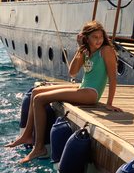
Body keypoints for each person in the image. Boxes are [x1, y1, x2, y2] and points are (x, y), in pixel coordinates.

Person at [5, 20, 122, 163]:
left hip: (91, 93)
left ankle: (39, 147)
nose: (98, 40)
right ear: (86, 38)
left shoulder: (106, 51)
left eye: (100, 37)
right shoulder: (86, 51)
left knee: (39, 99)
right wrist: (80, 49)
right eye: (94, 37)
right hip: (82, 87)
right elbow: (72, 72)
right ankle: (26, 135)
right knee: (36, 92)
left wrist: (109, 103)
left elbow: (113, 77)